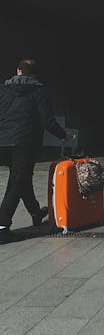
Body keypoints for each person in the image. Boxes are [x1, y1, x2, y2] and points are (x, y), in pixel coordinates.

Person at [0, 59, 70, 243]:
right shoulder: (39, 90)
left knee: (22, 178)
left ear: (18, 71)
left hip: (2, 142)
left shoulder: (3, 89)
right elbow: (47, 121)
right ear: (35, 74)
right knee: (17, 182)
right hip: (24, 143)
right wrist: (64, 136)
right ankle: (1, 227)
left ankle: (35, 212)